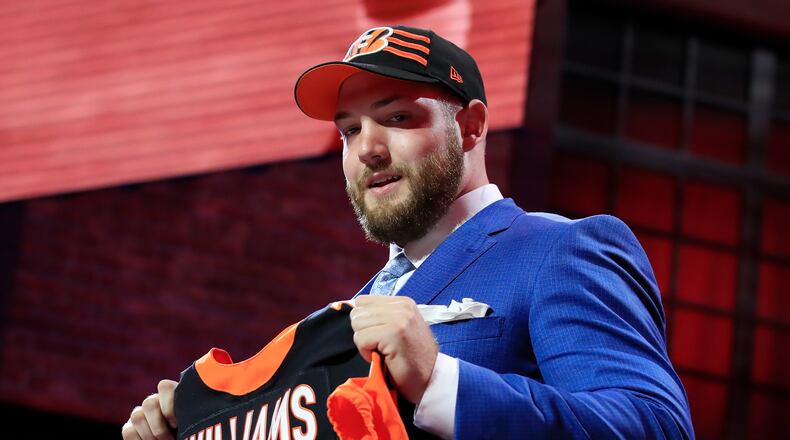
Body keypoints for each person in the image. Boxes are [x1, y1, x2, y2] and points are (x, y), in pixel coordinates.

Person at [122, 25, 694, 439]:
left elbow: (657, 427)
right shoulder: (343, 319)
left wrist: (438, 381)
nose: (367, 149)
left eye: (396, 118)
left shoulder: (560, 250)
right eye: (349, 130)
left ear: (470, 127)